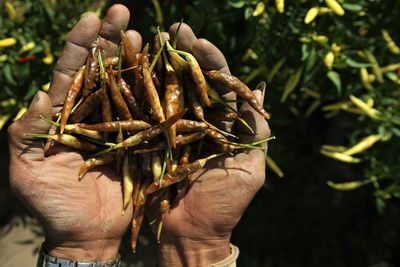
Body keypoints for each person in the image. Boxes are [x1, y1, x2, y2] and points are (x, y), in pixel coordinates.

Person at [8, 4, 270, 267]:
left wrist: (79, 252)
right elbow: (147, 123)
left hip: (155, 141)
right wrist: (201, 250)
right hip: (141, 140)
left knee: (165, 124)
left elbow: (154, 124)